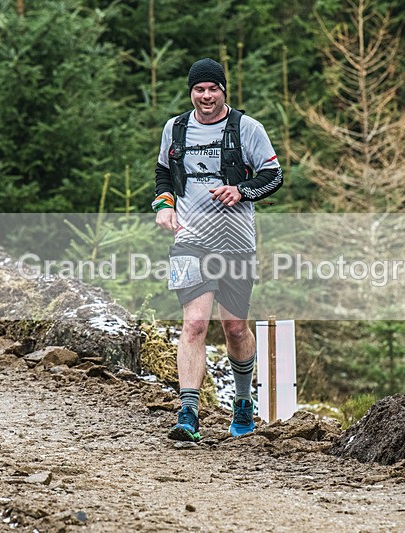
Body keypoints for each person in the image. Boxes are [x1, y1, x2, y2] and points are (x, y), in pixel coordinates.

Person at [152, 58, 283, 442]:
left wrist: (241, 190)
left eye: (213, 89)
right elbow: (163, 172)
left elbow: (273, 175)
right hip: (190, 240)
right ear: (191, 92)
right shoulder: (175, 129)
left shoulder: (247, 129)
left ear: (224, 90)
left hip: (237, 242)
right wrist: (164, 205)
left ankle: (244, 402)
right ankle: (188, 412)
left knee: (235, 327)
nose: (206, 96)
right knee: (194, 323)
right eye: (199, 89)